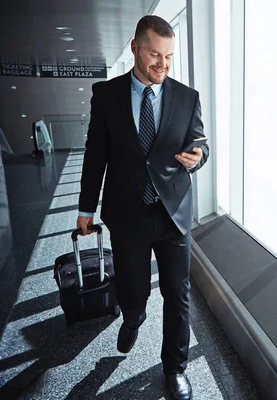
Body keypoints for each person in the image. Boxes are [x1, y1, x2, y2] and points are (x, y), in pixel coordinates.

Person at [76, 15, 209, 400]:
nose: (162, 65)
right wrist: (86, 207)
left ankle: (175, 369)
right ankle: (133, 318)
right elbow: (95, 154)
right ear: (135, 48)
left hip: (173, 213)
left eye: (168, 56)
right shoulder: (107, 95)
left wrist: (198, 157)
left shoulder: (187, 97)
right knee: (133, 291)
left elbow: (199, 143)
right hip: (128, 215)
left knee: (177, 293)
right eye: (155, 54)